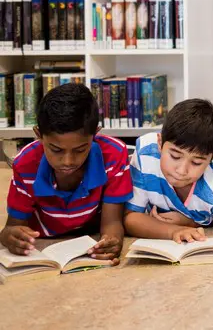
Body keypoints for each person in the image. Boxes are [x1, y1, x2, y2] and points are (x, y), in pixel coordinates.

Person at [1, 84, 131, 263]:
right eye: (56, 149)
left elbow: (111, 223)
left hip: (90, 238)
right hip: (43, 242)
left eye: (80, 149)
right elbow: (12, 227)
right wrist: (11, 237)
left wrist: (111, 242)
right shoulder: (25, 163)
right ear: (38, 135)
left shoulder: (114, 155)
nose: (68, 161)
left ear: (95, 134)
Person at [124, 99, 213, 242]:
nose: (181, 170)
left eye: (196, 162)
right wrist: (174, 231)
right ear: (160, 143)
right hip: (207, 153)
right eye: (175, 156)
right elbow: (130, 217)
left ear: (211, 158)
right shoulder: (145, 152)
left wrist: (191, 222)